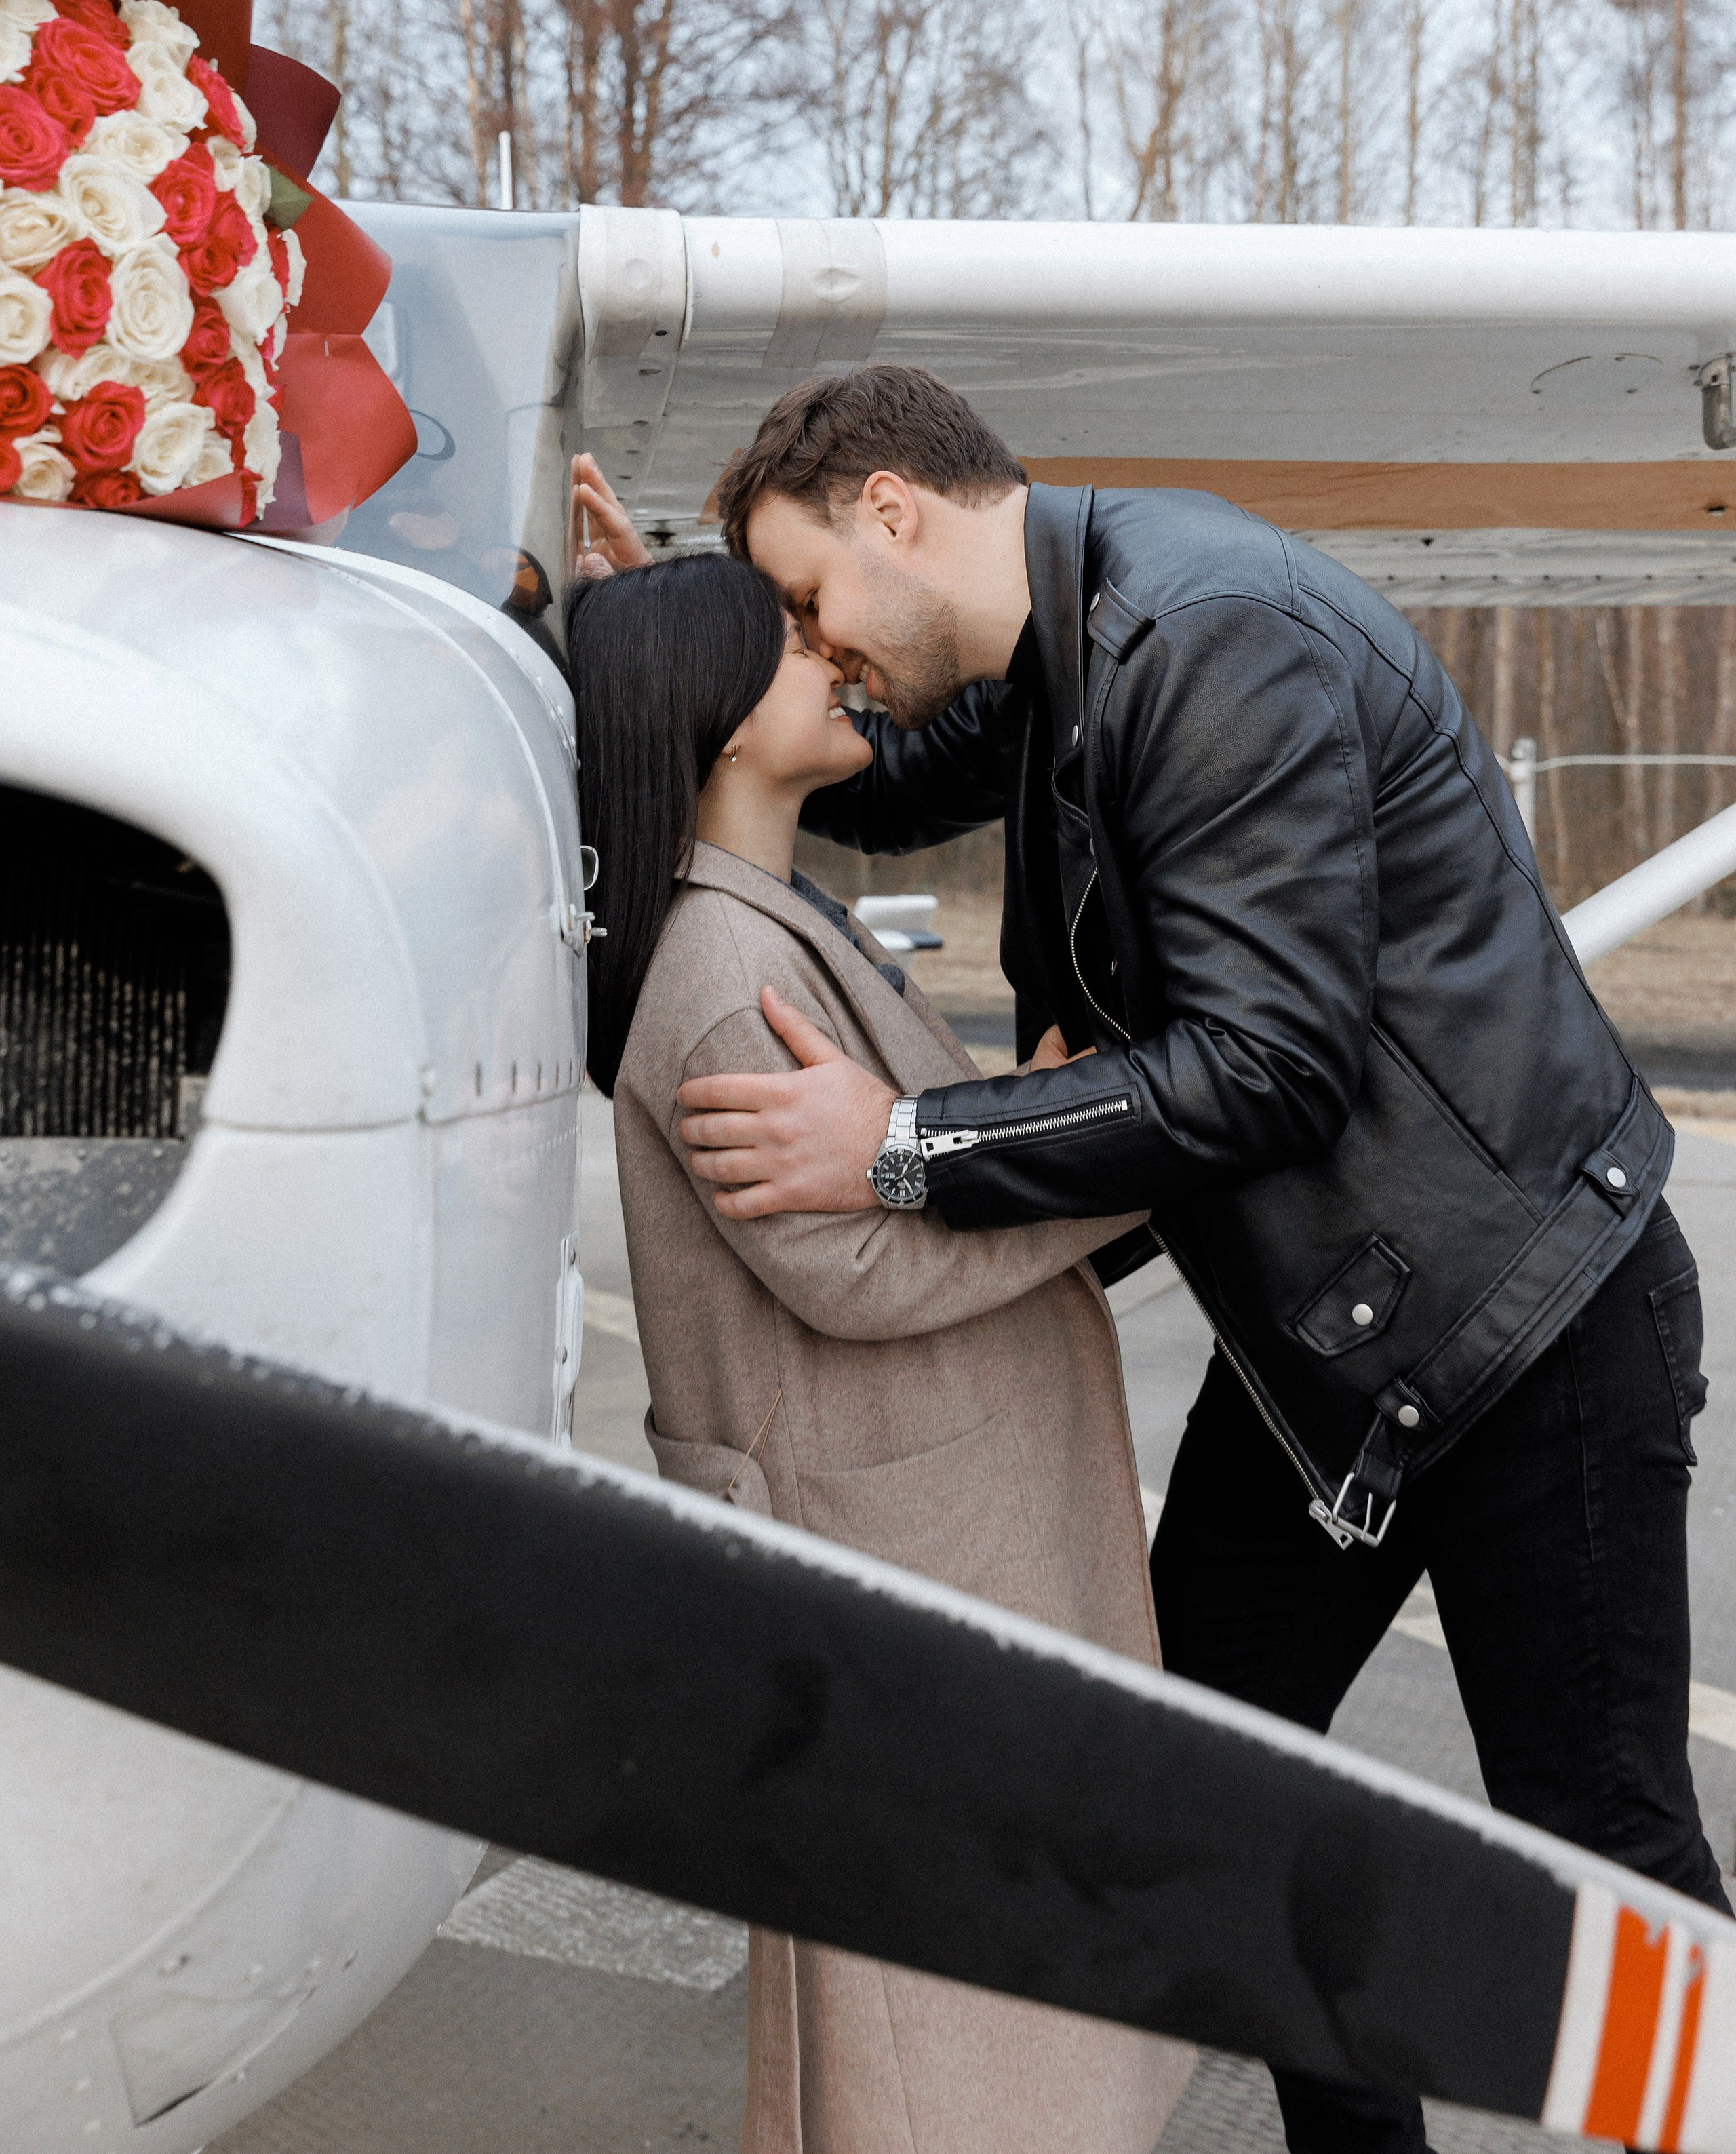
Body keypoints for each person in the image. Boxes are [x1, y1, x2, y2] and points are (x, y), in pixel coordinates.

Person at [570, 378, 1727, 2154]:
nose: (820, 648)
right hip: (1333, 1357)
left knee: (1607, 1849)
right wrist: (669, 651)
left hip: (1522, 1327)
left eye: (806, 603)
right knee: (1208, 1787)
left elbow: (1273, 1067)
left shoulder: (1209, 635)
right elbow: (847, 781)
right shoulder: (1043, 648)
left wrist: (906, 1145)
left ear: (893, 512)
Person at [565, 545, 1195, 2154]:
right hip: (898, 1555)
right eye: (786, 644)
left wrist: (1017, 1120)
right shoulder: (720, 976)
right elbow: (850, 1261)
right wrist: (1093, 1149)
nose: (831, 657)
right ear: (712, 720)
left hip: (932, 1534)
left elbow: (892, 1159)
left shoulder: (766, 916)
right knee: (935, 2041)